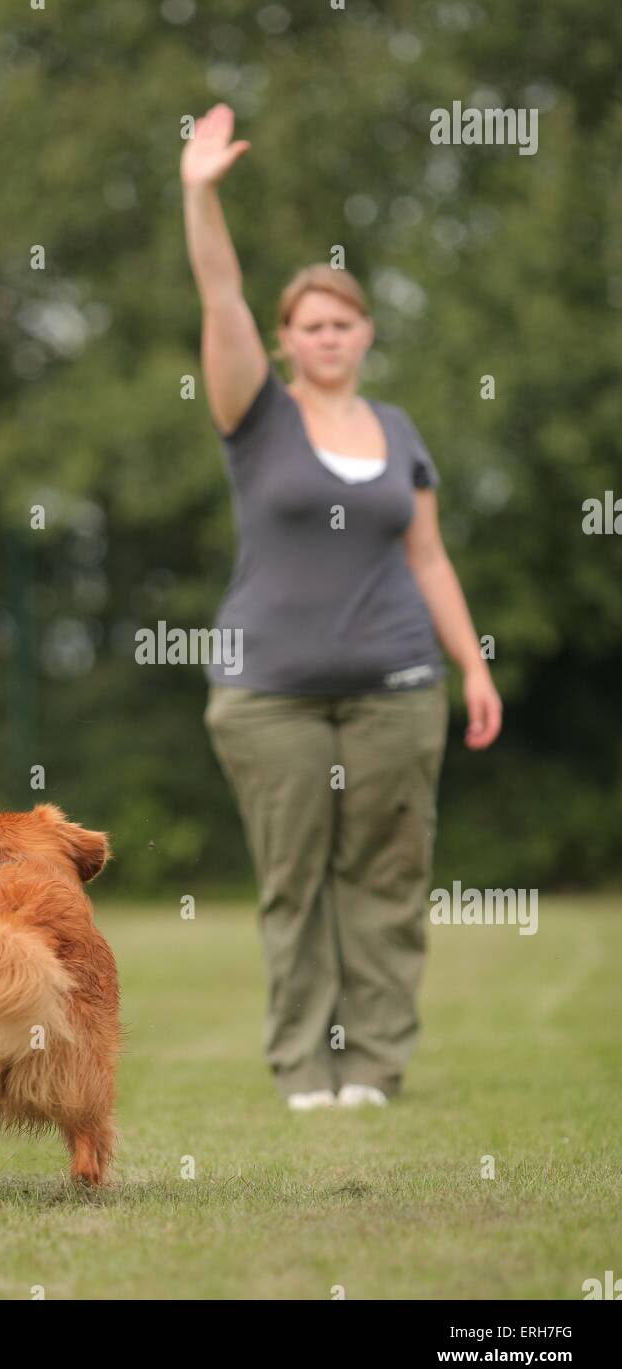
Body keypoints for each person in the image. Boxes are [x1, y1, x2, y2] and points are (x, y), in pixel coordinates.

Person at [181, 104, 502, 1112]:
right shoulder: (251, 413)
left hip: (396, 688)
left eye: (341, 321)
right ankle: (300, 1072)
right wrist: (198, 193)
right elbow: (220, 294)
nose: (325, 335)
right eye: (307, 324)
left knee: (385, 885)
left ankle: (370, 1069)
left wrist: (471, 664)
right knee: (296, 888)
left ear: (364, 331)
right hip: (266, 695)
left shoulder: (398, 430)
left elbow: (429, 559)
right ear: (283, 340)